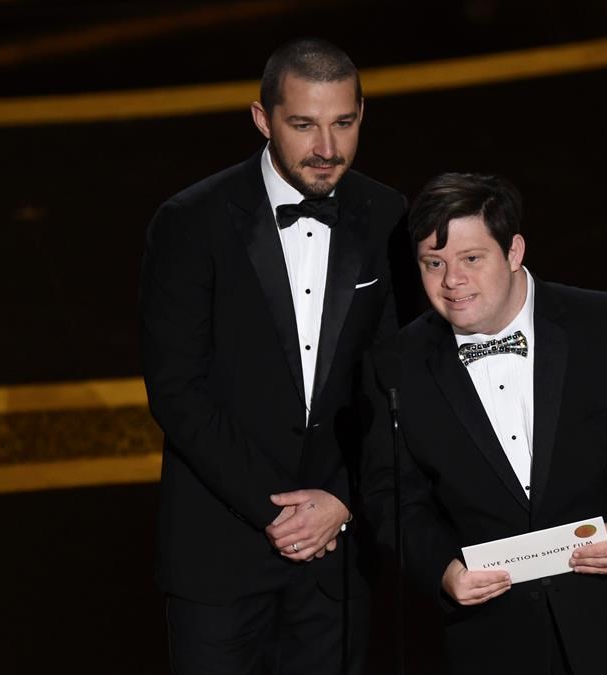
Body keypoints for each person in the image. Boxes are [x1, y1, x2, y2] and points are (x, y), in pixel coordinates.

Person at [360, 173, 607, 674]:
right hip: (493, 640)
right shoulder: (397, 363)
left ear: (514, 250)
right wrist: (442, 568)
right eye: (433, 263)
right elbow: (390, 489)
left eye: (471, 259)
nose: (451, 280)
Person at [140, 37, 410, 674]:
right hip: (219, 554)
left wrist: (341, 502)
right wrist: (279, 512)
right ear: (262, 120)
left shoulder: (387, 213)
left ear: (362, 114)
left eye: (343, 123)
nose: (326, 148)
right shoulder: (189, 222)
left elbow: (395, 378)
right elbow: (178, 389)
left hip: (340, 553)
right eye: (303, 125)